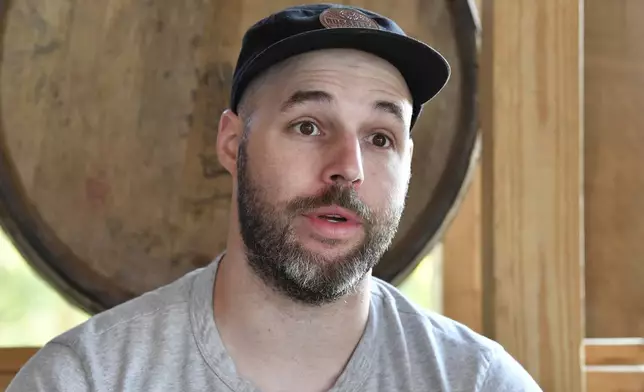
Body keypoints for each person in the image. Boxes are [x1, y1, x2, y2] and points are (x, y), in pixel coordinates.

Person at [8, 4, 542, 392]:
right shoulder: (87, 379)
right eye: (308, 126)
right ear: (232, 142)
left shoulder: (477, 381)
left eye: (381, 138)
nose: (348, 168)